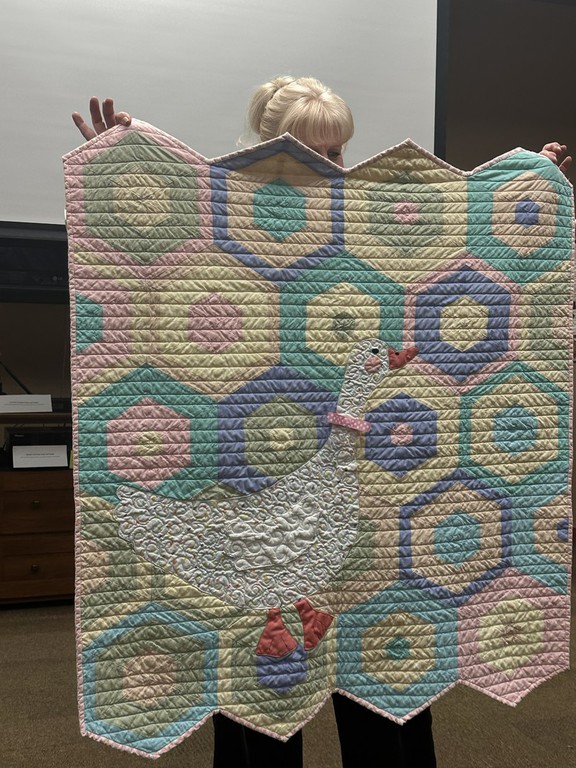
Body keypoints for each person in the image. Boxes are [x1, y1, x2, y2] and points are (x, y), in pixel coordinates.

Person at [72, 77, 571, 768]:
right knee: (259, 692)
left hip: (368, 516)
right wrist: (119, 165)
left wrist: (526, 189)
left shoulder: (368, 223)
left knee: (383, 669)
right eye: (312, 150)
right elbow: (155, 242)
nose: (330, 166)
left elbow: (455, 246)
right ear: (268, 146)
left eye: (338, 152)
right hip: (245, 475)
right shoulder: (223, 214)